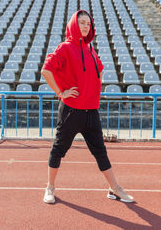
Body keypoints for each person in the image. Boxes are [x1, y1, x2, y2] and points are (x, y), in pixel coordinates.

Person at [41, 10, 134, 204]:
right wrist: (61, 92)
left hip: (91, 111)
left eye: (88, 23)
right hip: (71, 111)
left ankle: (114, 188)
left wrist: (92, 92)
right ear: (74, 24)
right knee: (59, 149)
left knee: (100, 151)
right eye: (82, 22)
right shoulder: (65, 47)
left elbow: (99, 69)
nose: (85, 26)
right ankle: (50, 188)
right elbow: (46, 70)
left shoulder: (90, 49)